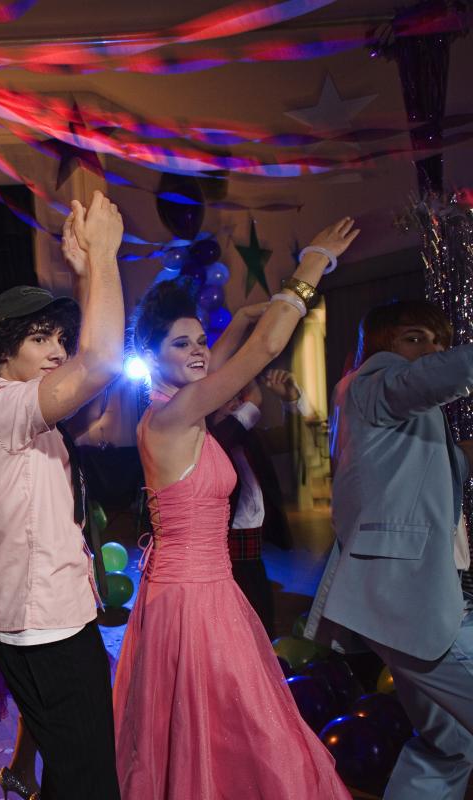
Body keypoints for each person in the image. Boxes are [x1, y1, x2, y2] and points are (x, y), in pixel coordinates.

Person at [114, 217, 360, 799]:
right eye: (182, 343)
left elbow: (221, 358)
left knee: (223, 732)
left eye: (201, 340)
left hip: (195, 590)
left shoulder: (178, 408)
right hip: (194, 600)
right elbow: (266, 348)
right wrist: (311, 263)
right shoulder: (174, 417)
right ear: (149, 355)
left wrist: (244, 318)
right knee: (244, 730)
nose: (199, 351)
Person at [0, 191, 125, 800]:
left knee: (80, 772)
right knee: (90, 781)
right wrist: (104, 257)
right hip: (41, 624)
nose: (57, 349)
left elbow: (92, 370)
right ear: (3, 348)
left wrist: (88, 277)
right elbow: (101, 360)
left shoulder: (32, 414)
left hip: (59, 615)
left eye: (60, 336)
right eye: (40, 339)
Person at [306, 300, 473, 800]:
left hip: (413, 603)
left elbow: (442, 474)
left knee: (453, 744)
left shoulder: (397, 418)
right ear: (381, 347)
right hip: (411, 606)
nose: (431, 352)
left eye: (438, 342)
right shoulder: (376, 380)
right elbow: (426, 379)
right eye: (415, 339)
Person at [206, 366, 308, 638]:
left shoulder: (249, 438)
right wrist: (253, 401)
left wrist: (291, 400)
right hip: (223, 543)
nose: (236, 404)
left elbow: (291, 439)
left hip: (251, 542)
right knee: (232, 624)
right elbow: (227, 433)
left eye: (238, 398)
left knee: (261, 618)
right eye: (229, 399)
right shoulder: (207, 441)